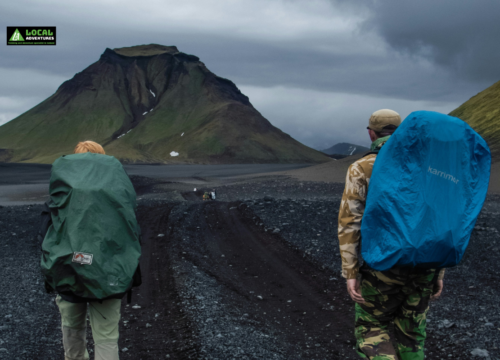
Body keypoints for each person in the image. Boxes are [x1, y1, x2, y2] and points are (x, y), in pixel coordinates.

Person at [337, 109, 444, 360]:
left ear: (371, 133)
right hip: (424, 264)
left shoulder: (361, 168)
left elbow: (349, 222)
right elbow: (438, 219)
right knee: (413, 334)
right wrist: (439, 271)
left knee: (372, 329)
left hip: (383, 265)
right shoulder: (429, 167)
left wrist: (350, 272)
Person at [40, 141, 141, 360]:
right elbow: (131, 233)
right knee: (106, 337)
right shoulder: (118, 191)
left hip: (67, 270)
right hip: (109, 274)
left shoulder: (63, 192)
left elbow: (46, 232)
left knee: (72, 330)